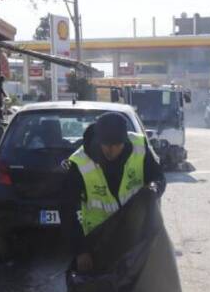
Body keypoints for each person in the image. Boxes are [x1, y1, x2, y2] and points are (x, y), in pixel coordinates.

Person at [61, 112, 166, 272]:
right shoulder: (79, 163)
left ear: (124, 141)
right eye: (107, 145)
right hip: (99, 240)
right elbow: (66, 210)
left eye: (117, 145)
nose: (112, 150)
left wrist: (154, 188)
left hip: (134, 234)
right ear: (98, 140)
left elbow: (158, 176)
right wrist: (81, 250)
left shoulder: (139, 147)